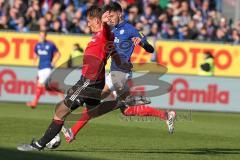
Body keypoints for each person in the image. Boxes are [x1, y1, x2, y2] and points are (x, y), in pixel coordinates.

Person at [61, 2, 176, 143]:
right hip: (118, 73)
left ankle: (70, 129)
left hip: (120, 74)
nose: (110, 18)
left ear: (119, 13)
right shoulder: (112, 31)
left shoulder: (130, 29)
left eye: (112, 15)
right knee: (127, 110)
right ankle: (166, 115)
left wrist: (143, 43)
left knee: (93, 100)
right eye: (108, 16)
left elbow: (150, 49)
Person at [17, 6, 117, 151]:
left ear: (97, 20)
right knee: (92, 111)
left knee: (60, 111)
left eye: (89, 21)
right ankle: (118, 103)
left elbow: (107, 33)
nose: (87, 24)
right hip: (95, 81)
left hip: (88, 82)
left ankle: (38, 145)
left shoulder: (104, 34)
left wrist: (105, 23)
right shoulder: (102, 36)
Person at [26, 30, 61, 108]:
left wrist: (53, 62)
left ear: (45, 36)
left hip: (47, 67)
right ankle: (61, 93)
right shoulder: (37, 45)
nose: (41, 37)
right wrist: (34, 60)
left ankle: (34, 103)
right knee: (46, 87)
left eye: (43, 36)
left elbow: (58, 54)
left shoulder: (50, 44)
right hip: (40, 67)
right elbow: (36, 53)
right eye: (40, 35)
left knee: (40, 84)